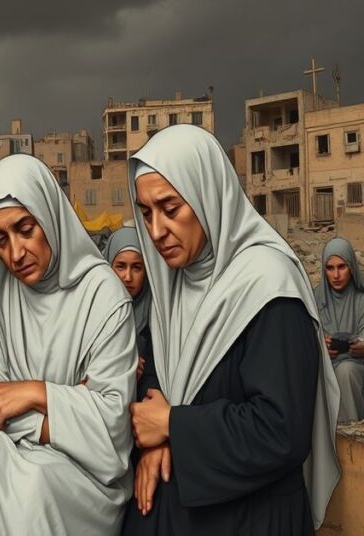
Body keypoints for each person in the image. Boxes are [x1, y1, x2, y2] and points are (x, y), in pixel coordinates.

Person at [121, 124, 340, 535]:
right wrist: (156, 440)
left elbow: (280, 430)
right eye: (146, 213)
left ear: (207, 196)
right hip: (181, 505)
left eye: (170, 208)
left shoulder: (268, 286)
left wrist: (172, 428)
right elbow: (159, 370)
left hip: (252, 515)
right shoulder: (174, 284)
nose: (155, 231)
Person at [0, 154, 137, 534]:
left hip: (87, 476)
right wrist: (61, 410)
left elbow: (111, 425)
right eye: (0, 240)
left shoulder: (103, 294)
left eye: (25, 229)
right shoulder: (3, 299)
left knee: (32, 489)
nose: (16, 253)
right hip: (14, 451)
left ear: (49, 215)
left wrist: (35, 392)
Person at [315, 237, 364, 422]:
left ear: (351, 267)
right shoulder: (315, 298)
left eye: (342, 267)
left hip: (356, 364)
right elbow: (302, 336)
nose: (336, 275)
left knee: (346, 371)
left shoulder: (361, 298)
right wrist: (320, 345)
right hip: (325, 364)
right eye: (330, 268)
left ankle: (348, 430)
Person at [103, 226, 155, 384]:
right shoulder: (93, 310)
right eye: (121, 266)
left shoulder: (156, 314)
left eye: (137, 267)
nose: (127, 277)